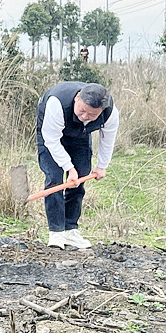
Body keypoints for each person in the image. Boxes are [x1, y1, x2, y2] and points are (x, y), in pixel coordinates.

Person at [35, 82, 119, 250]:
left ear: (101, 111)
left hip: (80, 135)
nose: (85, 117)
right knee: (55, 178)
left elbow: (107, 139)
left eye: (92, 115)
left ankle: (70, 229)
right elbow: (51, 140)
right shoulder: (56, 103)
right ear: (77, 98)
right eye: (82, 111)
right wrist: (68, 168)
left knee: (80, 177)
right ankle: (56, 232)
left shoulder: (110, 113)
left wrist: (102, 166)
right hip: (51, 132)